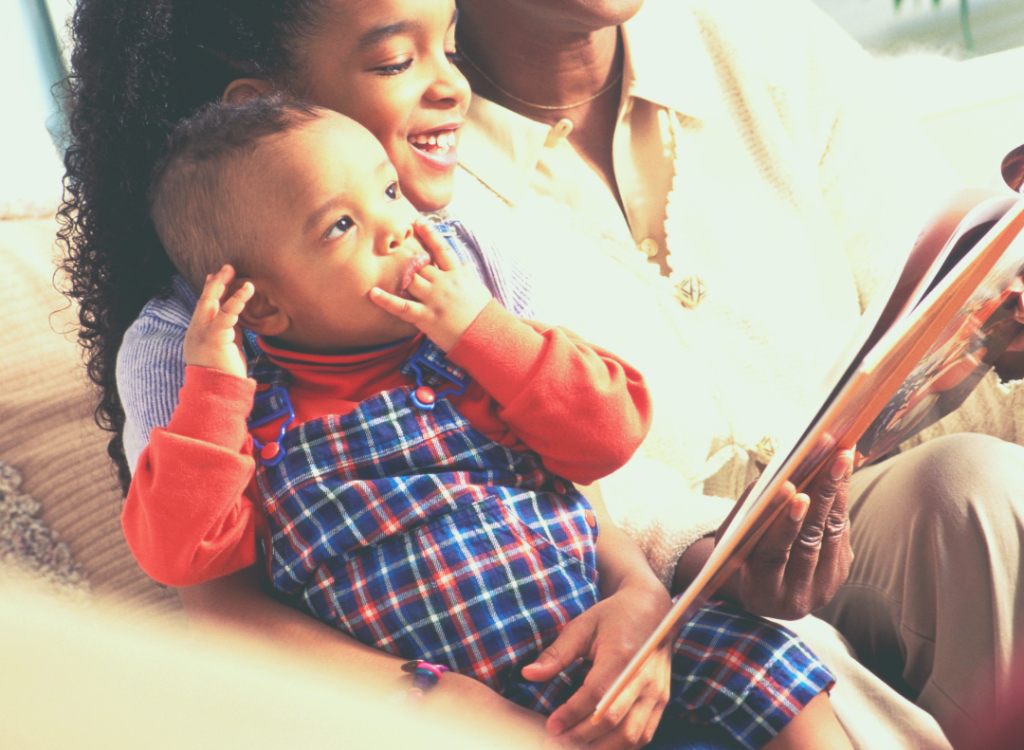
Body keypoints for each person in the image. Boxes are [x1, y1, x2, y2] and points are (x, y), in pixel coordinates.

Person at [59, 0, 856, 750]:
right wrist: (434, 705)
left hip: (585, 620)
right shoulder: (192, 343)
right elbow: (212, 593)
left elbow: (573, 468)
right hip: (405, 697)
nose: (453, 86)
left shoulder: (463, 251)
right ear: (266, 105)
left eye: (450, 45)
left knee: (779, 669)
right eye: (399, 60)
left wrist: (637, 599)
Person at [345, 0, 1024, 748]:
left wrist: (1003, 323)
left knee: (972, 485)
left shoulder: (747, 26)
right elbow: (495, 462)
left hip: (874, 517)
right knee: (777, 656)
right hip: (651, 593)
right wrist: (701, 548)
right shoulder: (402, 175)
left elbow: (933, 275)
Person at [123, 95, 849, 750]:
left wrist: (481, 329)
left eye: (387, 190)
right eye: (341, 226)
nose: (397, 227)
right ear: (263, 308)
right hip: (440, 706)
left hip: (588, 629)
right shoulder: (244, 417)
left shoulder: (473, 349)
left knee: (772, 668)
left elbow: (610, 432)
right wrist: (214, 388)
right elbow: (179, 555)